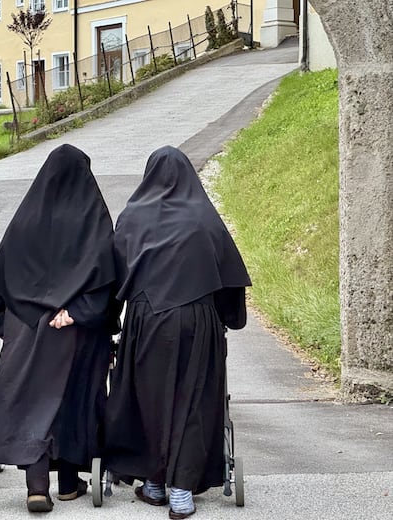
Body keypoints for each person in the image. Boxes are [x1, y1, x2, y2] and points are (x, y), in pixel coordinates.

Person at [103, 145, 251, 519]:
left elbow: (114, 273)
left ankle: (153, 483)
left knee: (148, 397)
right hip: (196, 319)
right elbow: (230, 278)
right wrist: (230, 318)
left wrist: (111, 318)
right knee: (192, 399)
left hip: (147, 319)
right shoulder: (204, 218)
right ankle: (182, 490)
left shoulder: (132, 216)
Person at [0, 144, 119, 513]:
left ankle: (37, 486)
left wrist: (1, 324)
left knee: (31, 401)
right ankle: (70, 483)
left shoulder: (26, 218)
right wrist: (78, 311)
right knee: (75, 398)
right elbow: (108, 278)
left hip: (26, 325)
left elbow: (2, 274)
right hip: (76, 329)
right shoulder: (94, 218)